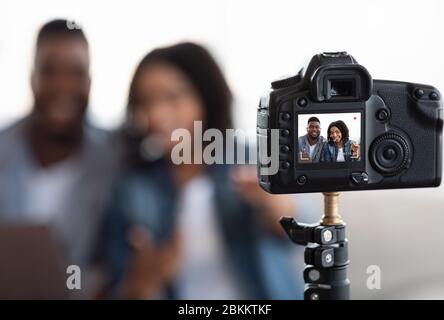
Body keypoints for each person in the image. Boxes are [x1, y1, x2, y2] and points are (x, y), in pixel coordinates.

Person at [104, 42, 303, 299]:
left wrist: (269, 201)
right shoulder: (132, 187)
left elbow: (298, 233)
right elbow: (126, 290)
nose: (155, 114)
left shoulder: (250, 158)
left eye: (172, 97)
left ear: (206, 97)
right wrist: (145, 282)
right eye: (145, 102)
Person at [0, 19, 121, 297]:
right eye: (50, 71)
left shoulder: (113, 161)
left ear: (89, 82)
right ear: (32, 79)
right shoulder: (3, 149)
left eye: (75, 72)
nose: (62, 85)